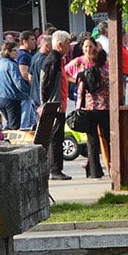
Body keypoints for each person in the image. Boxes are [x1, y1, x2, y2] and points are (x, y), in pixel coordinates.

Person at [34, 30, 72, 180]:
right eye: (68, 43)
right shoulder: (52, 61)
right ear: (60, 45)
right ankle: (55, 169)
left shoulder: (58, 59)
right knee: (55, 138)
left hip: (58, 104)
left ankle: (56, 168)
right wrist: (45, 104)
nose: (70, 46)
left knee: (58, 137)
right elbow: (45, 84)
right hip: (54, 106)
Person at [74, 44, 111, 178]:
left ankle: (95, 171)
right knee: (108, 138)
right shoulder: (108, 75)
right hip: (106, 109)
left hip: (90, 110)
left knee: (92, 141)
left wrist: (79, 108)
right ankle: (113, 165)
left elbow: (80, 93)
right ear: (104, 60)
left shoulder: (86, 74)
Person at [0, 41, 30, 129]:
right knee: (14, 126)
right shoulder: (12, 65)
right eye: (14, 50)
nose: (17, 52)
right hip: (12, 98)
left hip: (0, 99)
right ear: (8, 51)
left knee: (9, 124)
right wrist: (29, 92)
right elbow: (18, 82)